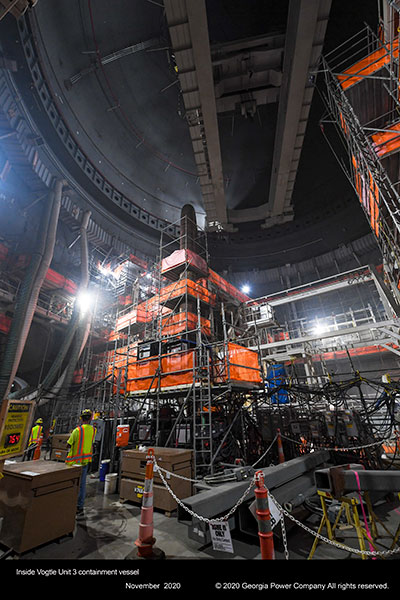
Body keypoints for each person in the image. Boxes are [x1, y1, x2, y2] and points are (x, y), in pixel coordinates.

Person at [65, 409, 96, 515]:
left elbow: (68, 444)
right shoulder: (93, 430)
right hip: (85, 461)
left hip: (74, 462)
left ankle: (69, 504)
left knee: (72, 484)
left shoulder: (77, 430)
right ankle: (79, 506)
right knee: (82, 485)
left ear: (81, 418)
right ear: (91, 418)